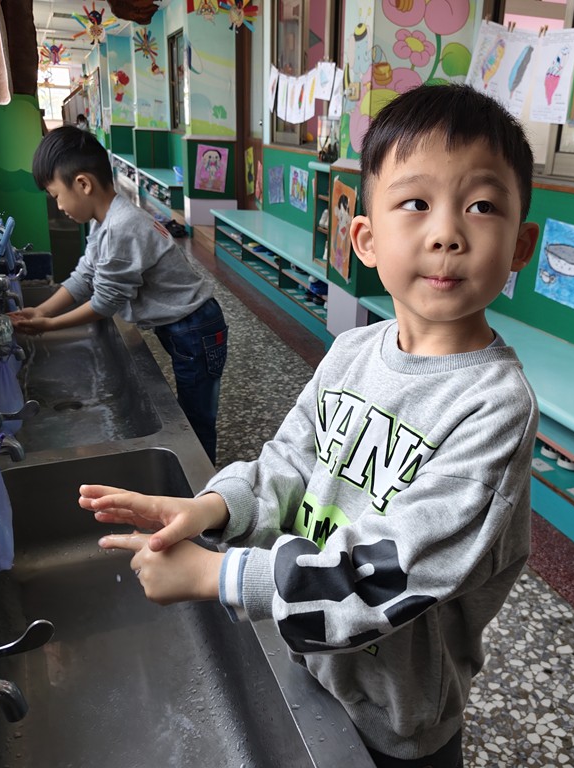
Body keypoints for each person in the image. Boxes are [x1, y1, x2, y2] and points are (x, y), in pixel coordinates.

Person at [82, 83, 540, 767]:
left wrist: (221, 576)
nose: (447, 232)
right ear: (366, 239)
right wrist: (211, 508)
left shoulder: (495, 407)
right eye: (416, 203)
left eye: (481, 206)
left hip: (399, 719)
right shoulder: (352, 352)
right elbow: (290, 461)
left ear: (520, 245)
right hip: (315, 662)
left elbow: (393, 571)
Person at [11, 125, 228, 463]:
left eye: (56, 195)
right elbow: (86, 275)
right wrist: (42, 311)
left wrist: (50, 326)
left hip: (196, 327)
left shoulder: (123, 227)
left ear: (83, 184)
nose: (59, 205)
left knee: (197, 417)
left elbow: (104, 303)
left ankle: (206, 484)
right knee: (192, 409)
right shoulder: (104, 221)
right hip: (182, 326)